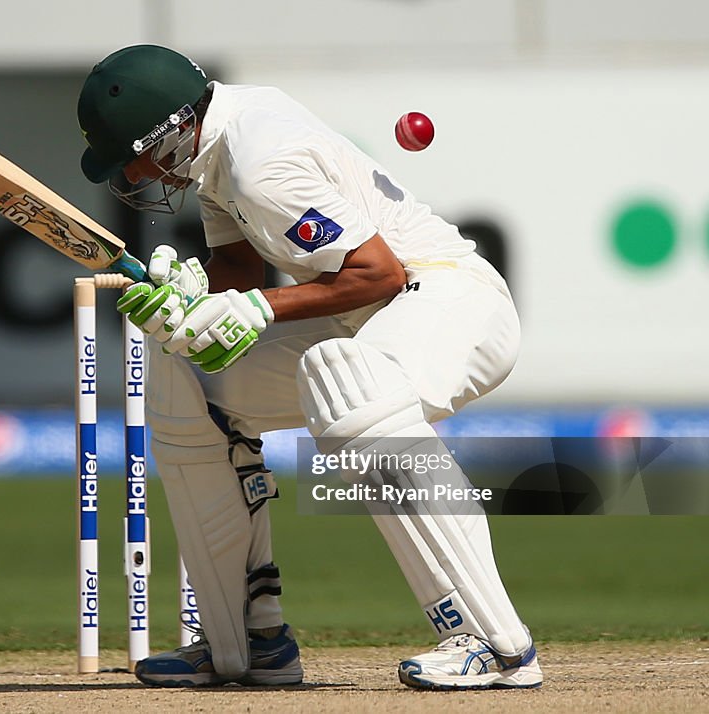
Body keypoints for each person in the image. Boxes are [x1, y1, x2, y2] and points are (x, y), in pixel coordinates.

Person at [76, 45, 541, 691]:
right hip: (374, 312)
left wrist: (255, 308)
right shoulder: (221, 148)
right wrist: (186, 307)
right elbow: (239, 271)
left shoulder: (259, 161)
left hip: (452, 298)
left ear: (174, 129)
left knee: (348, 377)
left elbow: (380, 274)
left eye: (136, 154)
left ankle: (495, 644)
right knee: (185, 376)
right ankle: (248, 641)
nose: (135, 172)